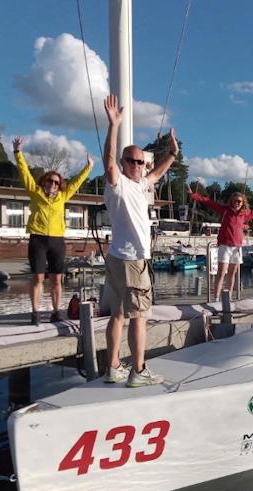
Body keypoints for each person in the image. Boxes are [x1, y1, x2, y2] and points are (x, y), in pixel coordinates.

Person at [102, 94, 179, 387]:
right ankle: (139, 370)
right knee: (139, 317)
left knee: (119, 314)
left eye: (140, 161)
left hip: (118, 258)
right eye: (131, 161)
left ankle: (113, 368)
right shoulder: (118, 184)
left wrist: (172, 152)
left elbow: (157, 172)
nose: (137, 165)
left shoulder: (139, 185)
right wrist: (114, 125)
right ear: (124, 163)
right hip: (132, 259)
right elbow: (108, 162)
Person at [13, 136, 93, 326]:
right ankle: (35, 312)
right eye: (50, 181)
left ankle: (56, 312)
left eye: (56, 182)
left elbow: (77, 182)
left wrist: (88, 167)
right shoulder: (35, 192)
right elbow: (24, 172)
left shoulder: (63, 196)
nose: (53, 184)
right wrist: (18, 152)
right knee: (38, 277)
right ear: (44, 182)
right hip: (38, 239)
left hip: (57, 240)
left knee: (57, 278)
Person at [187, 185, 253, 300]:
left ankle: (228, 298)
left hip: (237, 248)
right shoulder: (224, 210)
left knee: (232, 274)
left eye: (239, 201)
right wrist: (193, 195)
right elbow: (208, 202)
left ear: (243, 202)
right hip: (225, 246)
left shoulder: (245, 214)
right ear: (231, 201)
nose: (237, 203)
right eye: (235, 201)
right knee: (221, 273)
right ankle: (216, 298)